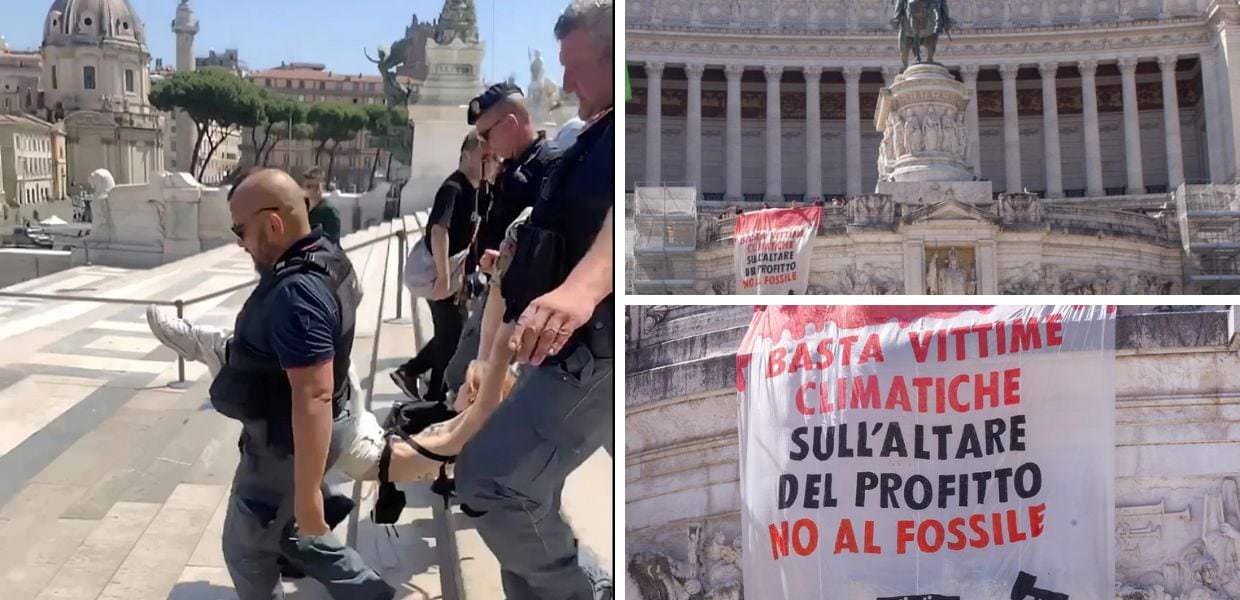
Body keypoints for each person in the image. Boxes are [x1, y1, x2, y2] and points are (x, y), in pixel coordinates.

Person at [452, 1, 615, 598]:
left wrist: (585, 282)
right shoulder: (593, 129)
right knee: (516, 493)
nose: (564, 82)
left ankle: (588, 589)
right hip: (552, 344)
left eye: (576, 67)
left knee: (492, 481)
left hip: (597, 347)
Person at [206, 169, 392, 599]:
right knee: (288, 532)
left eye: (241, 230)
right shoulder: (328, 254)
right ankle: (372, 593)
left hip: (282, 446)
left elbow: (313, 395)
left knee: (247, 550)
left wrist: (309, 496)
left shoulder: (297, 295)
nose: (239, 242)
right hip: (309, 431)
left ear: (272, 224)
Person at [443, 82, 562, 396]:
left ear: (510, 124)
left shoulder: (551, 167)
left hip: (517, 300)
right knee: (462, 373)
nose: (484, 145)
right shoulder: (512, 166)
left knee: (467, 376)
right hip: (497, 285)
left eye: (486, 135)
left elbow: (551, 245)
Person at [390, 133, 486, 403]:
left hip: (457, 278)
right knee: (452, 337)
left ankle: (415, 375)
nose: (488, 161)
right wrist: (444, 278)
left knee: (452, 335)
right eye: (483, 156)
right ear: (466, 155)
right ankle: (431, 391)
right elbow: (439, 230)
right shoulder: (453, 188)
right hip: (440, 276)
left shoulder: (478, 190)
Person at [301, 166, 342, 244]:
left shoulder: (329, 212)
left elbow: (332, 243)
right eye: (304, 185)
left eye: (309, 186)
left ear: (320, 187)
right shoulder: (302, 208)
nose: (304, 189)